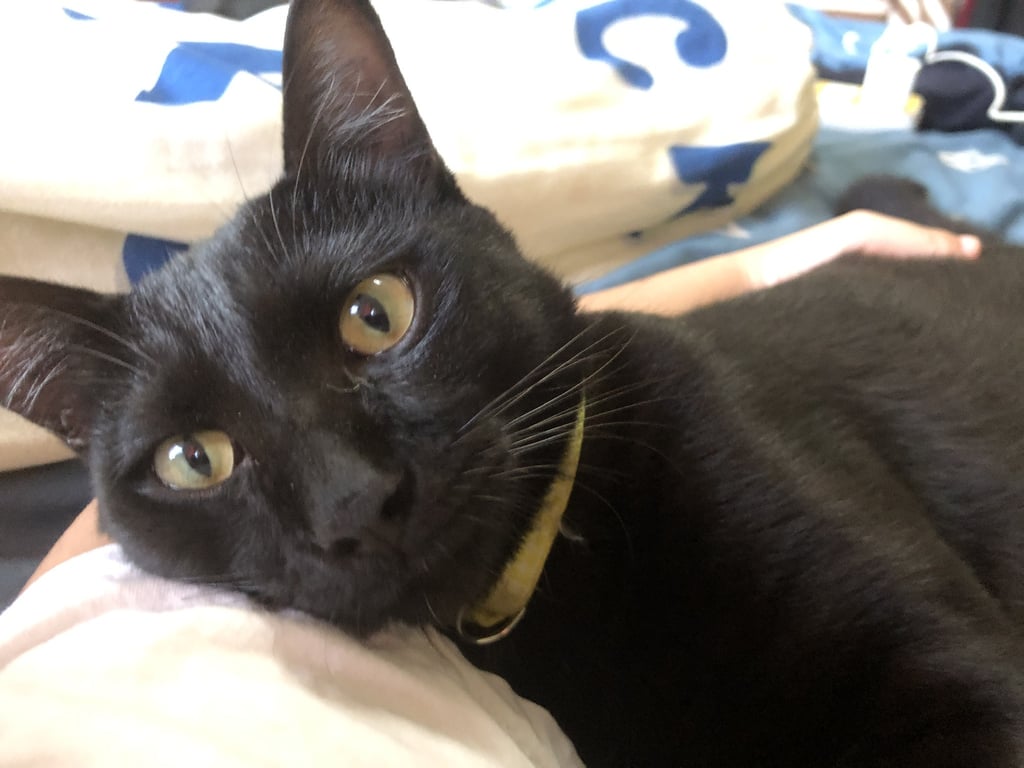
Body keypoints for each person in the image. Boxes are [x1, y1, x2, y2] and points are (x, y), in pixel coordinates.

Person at [0, 211, 981, 767]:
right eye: (198, 460)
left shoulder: (691, 444)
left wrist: (753, 262)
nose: (352, 498)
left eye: (376, 321)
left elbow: (966, 712)